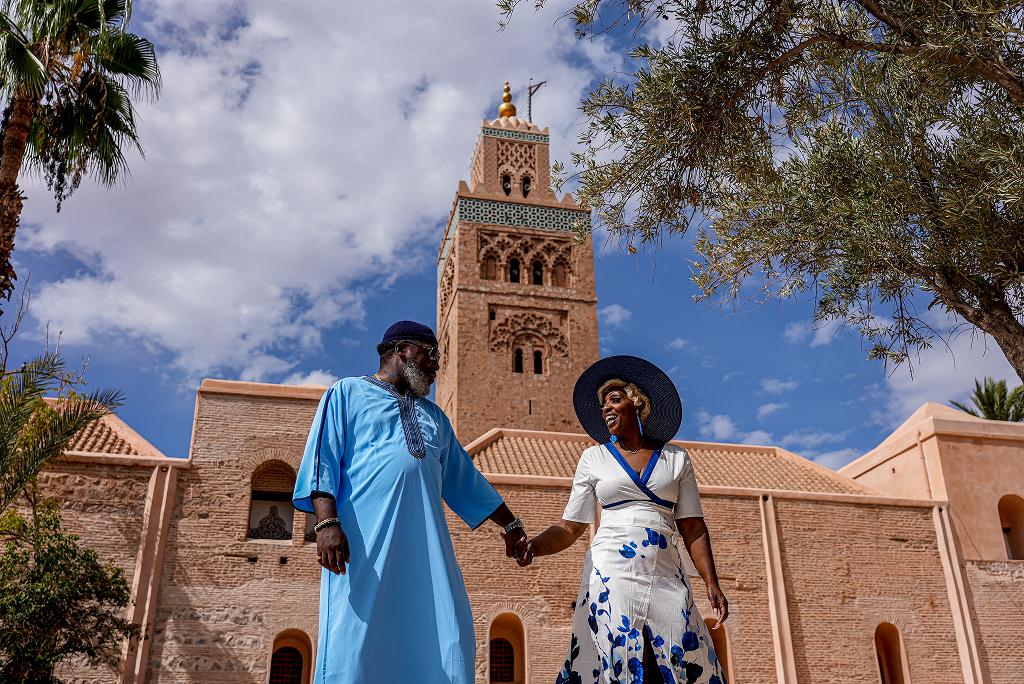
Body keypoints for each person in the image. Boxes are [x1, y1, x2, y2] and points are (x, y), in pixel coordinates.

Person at [292, 320, 529, 683]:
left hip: (428, 557)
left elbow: (467, 481)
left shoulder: (435, 418)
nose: (437, 365)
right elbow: (322, 460)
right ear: (403, 351)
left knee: (449, 638)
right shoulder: (346, 394)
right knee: (355, 645)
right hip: (363, 551)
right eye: (431, 354)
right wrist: (326, 524)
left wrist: (511, 524)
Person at [515, 355, 729, 684]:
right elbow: (570, 527)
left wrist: (710, 582)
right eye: (603, 405)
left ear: (638, 402)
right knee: (619, 650)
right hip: (611, 566)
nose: (607, 409)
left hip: (666, 570)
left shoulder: (675, 458)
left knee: (678, 651)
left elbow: (692, 525)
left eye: (615, 399)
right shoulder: (594, 458)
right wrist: (535, 546)